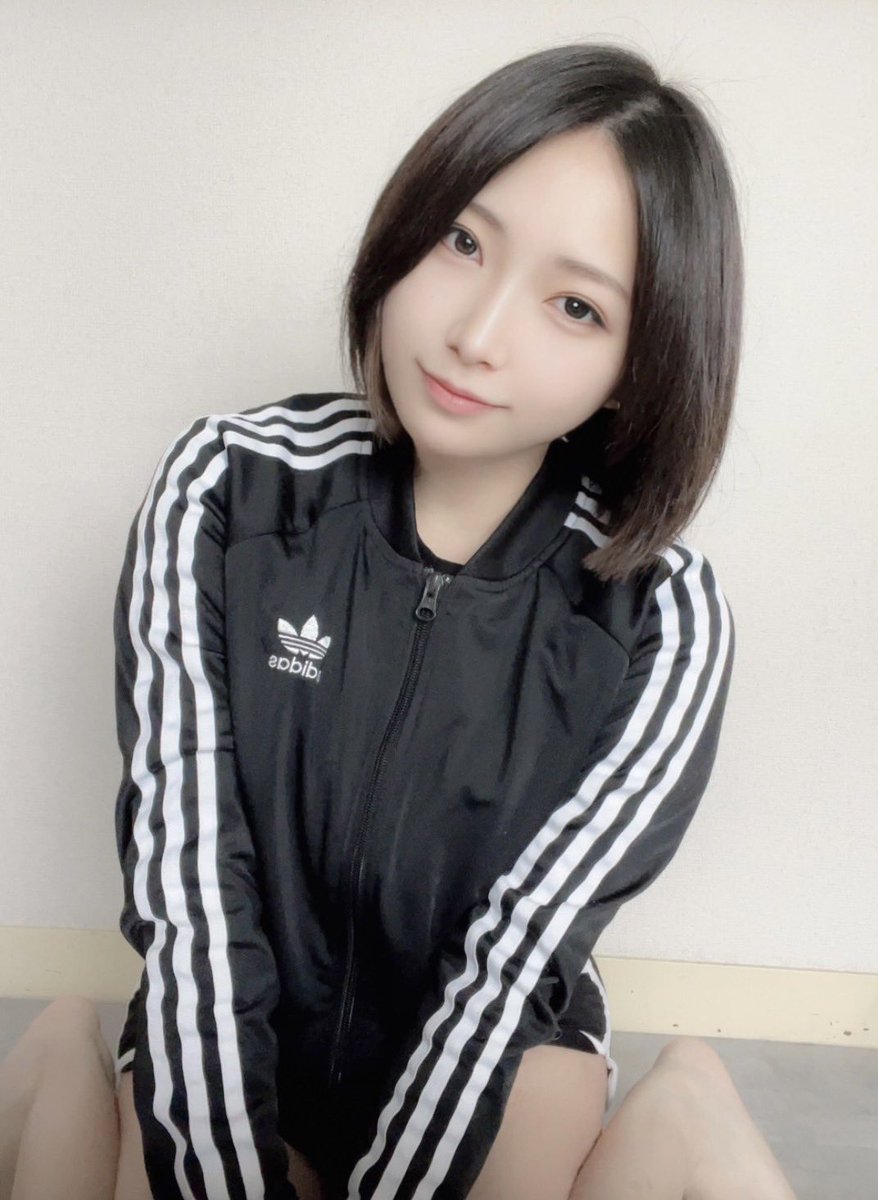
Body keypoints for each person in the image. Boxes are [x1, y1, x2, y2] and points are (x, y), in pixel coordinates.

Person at [0, 41, 798, 1200]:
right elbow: (187, 883)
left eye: (576, 306)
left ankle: (686, 1102)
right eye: (462, 242)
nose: (478, 332)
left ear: (639, 363)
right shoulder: (229, 488)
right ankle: (63, 1049)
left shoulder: (660, 614)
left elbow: (519, 957)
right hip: (247, 1031)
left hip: (498, 1049)